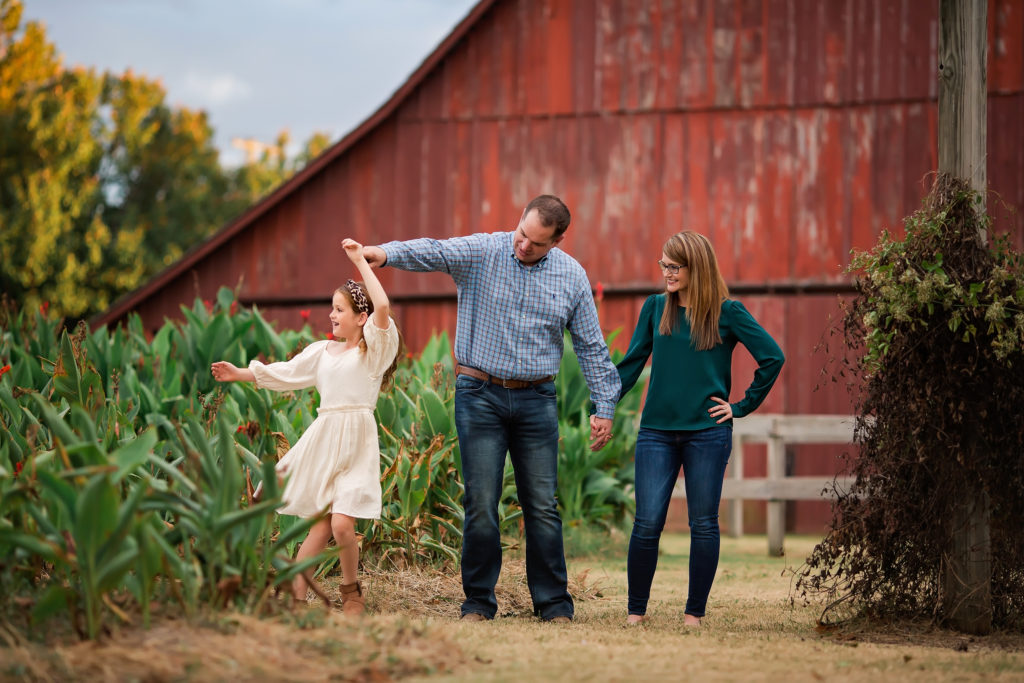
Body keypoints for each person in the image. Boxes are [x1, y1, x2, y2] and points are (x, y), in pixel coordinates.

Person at [360, 194, 621, 623]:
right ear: (518, 220)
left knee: (542, 504)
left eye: (536, 244)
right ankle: (478, 602)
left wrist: (604, 405)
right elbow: (436, 250)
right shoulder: (484, 251)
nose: (523, 246)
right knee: (481, 501)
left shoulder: (571, 277)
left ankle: (554, 604)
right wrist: (385, 254)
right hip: (479, 395)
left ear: (557, 241)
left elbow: (592, 347)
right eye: (522, 234)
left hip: (537, 400)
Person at [210, 238, 401, 616]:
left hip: (357, 443)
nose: (331, 315)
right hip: (324, 441)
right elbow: (285, 374)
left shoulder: (373, 352)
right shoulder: (320, 353)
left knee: (344, 525)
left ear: (360, 318)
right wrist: (240, 374)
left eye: (340, 309)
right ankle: (296, 598)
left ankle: (351, 592)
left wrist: (360, 261)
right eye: (331, 308)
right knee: (319, 526)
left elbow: (381, 305)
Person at [613, 230, 784, 627]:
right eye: (664, 265)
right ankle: (635, 612)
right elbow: (631, 364)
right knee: (647, 523)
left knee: (703, 524)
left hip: (707, 434)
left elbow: (772, 357)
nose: (666, 273)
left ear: (697, 268)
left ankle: (694, 614)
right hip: (656, 431)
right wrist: (600, 405)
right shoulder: (656, 308)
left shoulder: (728, 312)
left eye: (674, 267)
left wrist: (740, 407)